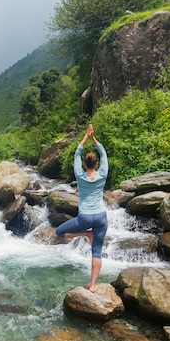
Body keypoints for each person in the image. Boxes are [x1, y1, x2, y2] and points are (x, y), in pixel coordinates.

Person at [56, 124, 108, 293]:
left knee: (59, 232)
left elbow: (77, 152)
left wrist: (86, 137)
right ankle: (93, 285)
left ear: (85, 163)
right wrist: (94, 139)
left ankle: (86, 233)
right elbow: (104, 153)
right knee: (97, 252)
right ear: (97, 163)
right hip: (100, 216)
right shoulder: (102, 174)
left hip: (84, 217)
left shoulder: (79, 174)